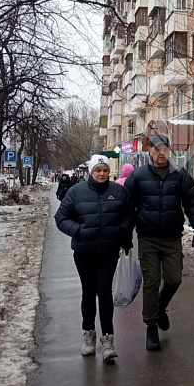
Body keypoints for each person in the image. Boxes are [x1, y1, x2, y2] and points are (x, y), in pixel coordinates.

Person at [124, 134, 194, 351]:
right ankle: (151, 328)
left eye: (165, 149)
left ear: (170, 151)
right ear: (149, 151)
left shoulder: (180, 175)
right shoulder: (139, 176)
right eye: (157, 149)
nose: (161, 154)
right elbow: (126, 206)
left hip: (172, 238)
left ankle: (160, 309)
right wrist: (123, 234)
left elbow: (193, 201)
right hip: (148, 238)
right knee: (151, 283)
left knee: (174, 279)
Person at [54, 155, 133, 361]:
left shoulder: (119, 192)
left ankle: (108, 339)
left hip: (108, 251)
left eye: (105, 170)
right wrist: (78, 231)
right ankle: (88, 333)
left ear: (109, 172)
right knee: (88, 292)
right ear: (91, 171)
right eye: (97, 170)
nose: (101, 174)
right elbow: (61, 218)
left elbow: (129, 215)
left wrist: (119, 231)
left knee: (105, 291)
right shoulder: (76, 192)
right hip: (84, 251)